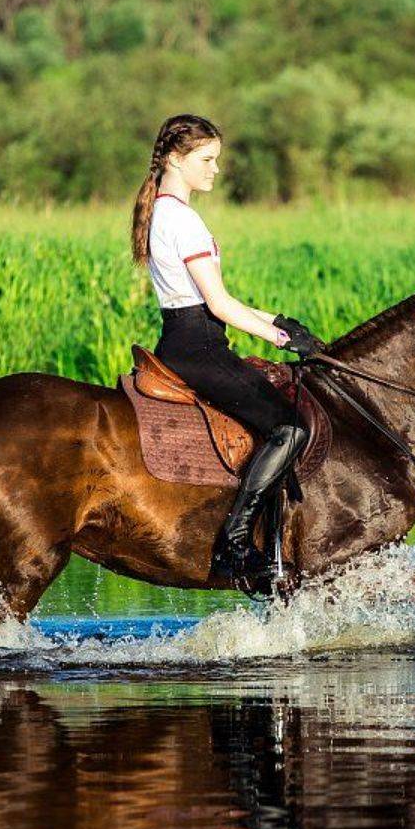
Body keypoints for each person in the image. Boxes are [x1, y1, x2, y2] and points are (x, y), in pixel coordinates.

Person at [130, 114, 326, 594]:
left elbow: (216, 301)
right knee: (291, 426)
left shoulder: (163, 211)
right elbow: (218, 305)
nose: (216, 169)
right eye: (207, 159)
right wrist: (280, 340)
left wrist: (278, 321)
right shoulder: (183, 219)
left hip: (187, 337)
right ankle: (235, 538)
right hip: (197, 347)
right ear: (176, 159)